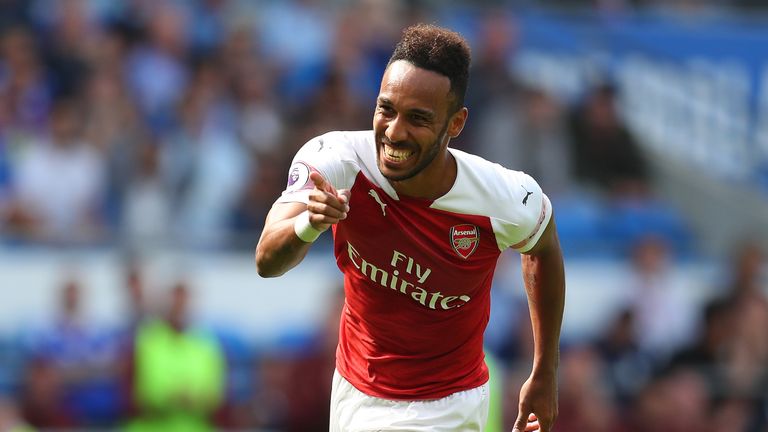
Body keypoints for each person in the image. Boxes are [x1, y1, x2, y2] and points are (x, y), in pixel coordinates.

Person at [255, 24, 565, 432]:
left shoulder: (503, 196)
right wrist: (309, 225)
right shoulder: (338, 161)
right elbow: (266, 260)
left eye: (418, 118)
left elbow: (542, 250)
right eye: (386, 109)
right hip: (355, 390)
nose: (395, 131)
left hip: (451, 402)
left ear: (455, 124)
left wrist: (544, 370)